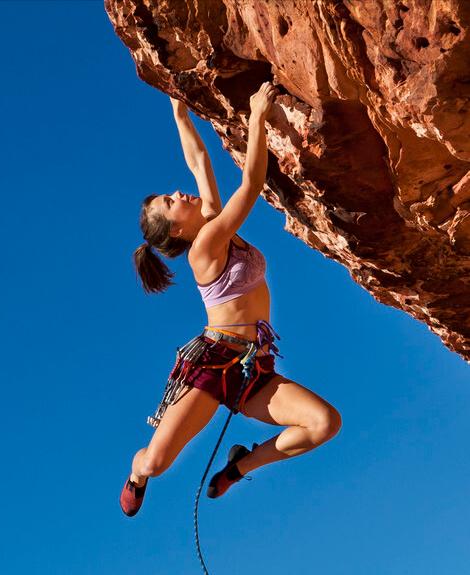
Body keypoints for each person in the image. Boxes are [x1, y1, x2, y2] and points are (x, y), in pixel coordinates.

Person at [120, 82, 342, 517]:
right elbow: (253, 182)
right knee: (158, 462)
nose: (180, 193)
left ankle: (240, 465)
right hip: (212, 365)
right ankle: (137, 469)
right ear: (177, 232)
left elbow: (199, 161)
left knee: (323, 424)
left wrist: (179, 113)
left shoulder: (211, 224)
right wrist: (256, 116)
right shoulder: (205, 248)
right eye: (171, 202)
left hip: (253, 367)